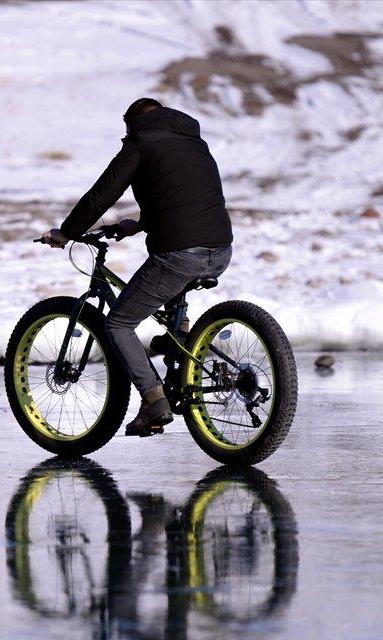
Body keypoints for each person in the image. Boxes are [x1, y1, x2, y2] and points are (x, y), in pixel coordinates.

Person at [40, 98, 233, 437]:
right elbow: (185, 198)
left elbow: (102, 194)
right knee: (173, 290)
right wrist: (141, 225)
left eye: (126, 129)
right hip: (220, 248)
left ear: (134, 123)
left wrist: (66, 232)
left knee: (118, 324)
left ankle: (154, 399)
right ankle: (180, 342)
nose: (126, 136)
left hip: (179, 253)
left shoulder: (141, 141)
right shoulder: (194, 142)